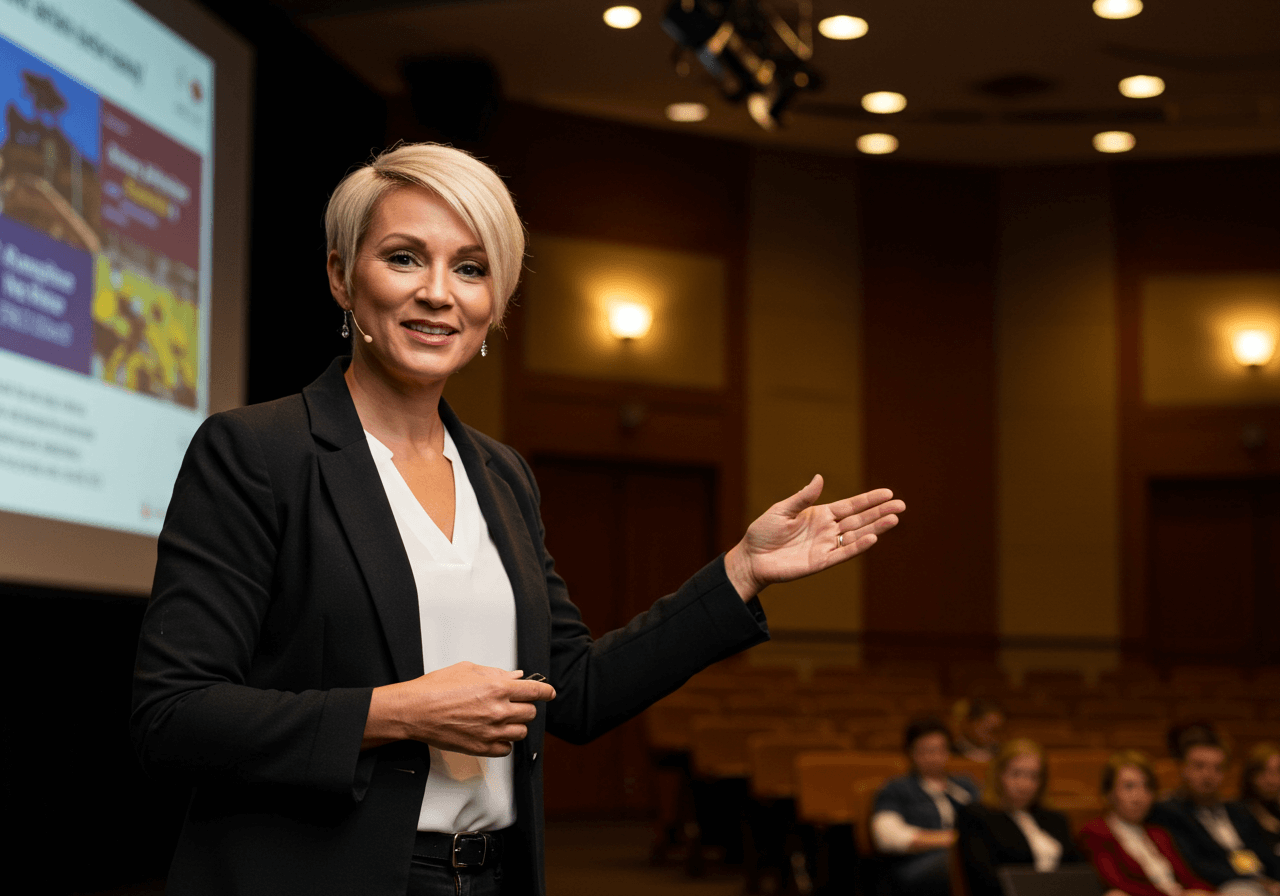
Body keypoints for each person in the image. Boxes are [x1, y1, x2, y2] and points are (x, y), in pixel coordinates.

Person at [129, 143, 906, 896]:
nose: (439, 292)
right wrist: (398, 711)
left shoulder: (502, 476)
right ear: (341, 276)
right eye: (404, 258)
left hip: (492, 874)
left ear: (493, 306)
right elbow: (175, 713)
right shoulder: (258, 452)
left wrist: (739, 573)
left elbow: (573, 690)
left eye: (471, 269)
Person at [1148, 726, 1280, 896]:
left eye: (1217, 768)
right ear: (1182, 768)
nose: (1208, 775)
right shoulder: (1169, 812)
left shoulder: (1238, 810)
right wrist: (1258, 882)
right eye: (1199, 766)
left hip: (1263, 882)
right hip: (1221, 887)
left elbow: (1264, 852)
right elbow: (1197, 863)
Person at [957, 738, 1087, 896]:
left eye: (1033, 776)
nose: (1025, 784)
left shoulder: (1055, 819)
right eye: (1016, 774)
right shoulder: (978, 816)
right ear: (999, 774)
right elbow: (985, 881)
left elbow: (1078, 871)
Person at [1078, 750, 1214, 896]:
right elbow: (1119, 883)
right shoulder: (1096, 832)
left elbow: (1188, 879)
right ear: (1109, 793)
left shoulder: (1159, 834)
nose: (1139, 797)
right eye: (1129, 787)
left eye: (1147, 787)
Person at [872, 717, 981, 896]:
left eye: (940, 749)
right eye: (926, 750)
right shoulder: (897, 788)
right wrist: (953, 840)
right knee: (965, 861)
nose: (934, 757)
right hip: (918, 865)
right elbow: (888, 837)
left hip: (962, 858)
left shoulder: (965, 785)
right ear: (911, 752)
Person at [1240, 744, 1280, 858]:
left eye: (1277, 772)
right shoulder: (1239, 812)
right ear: (1250, 775)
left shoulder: (1276, 808)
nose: (1271, 780)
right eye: (1263, 772)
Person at [953, 698, 1005, 763]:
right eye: (987, 730)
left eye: (996, 731)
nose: (993, 737)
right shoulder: (953, 750)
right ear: (971, 723)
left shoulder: (999, 752)